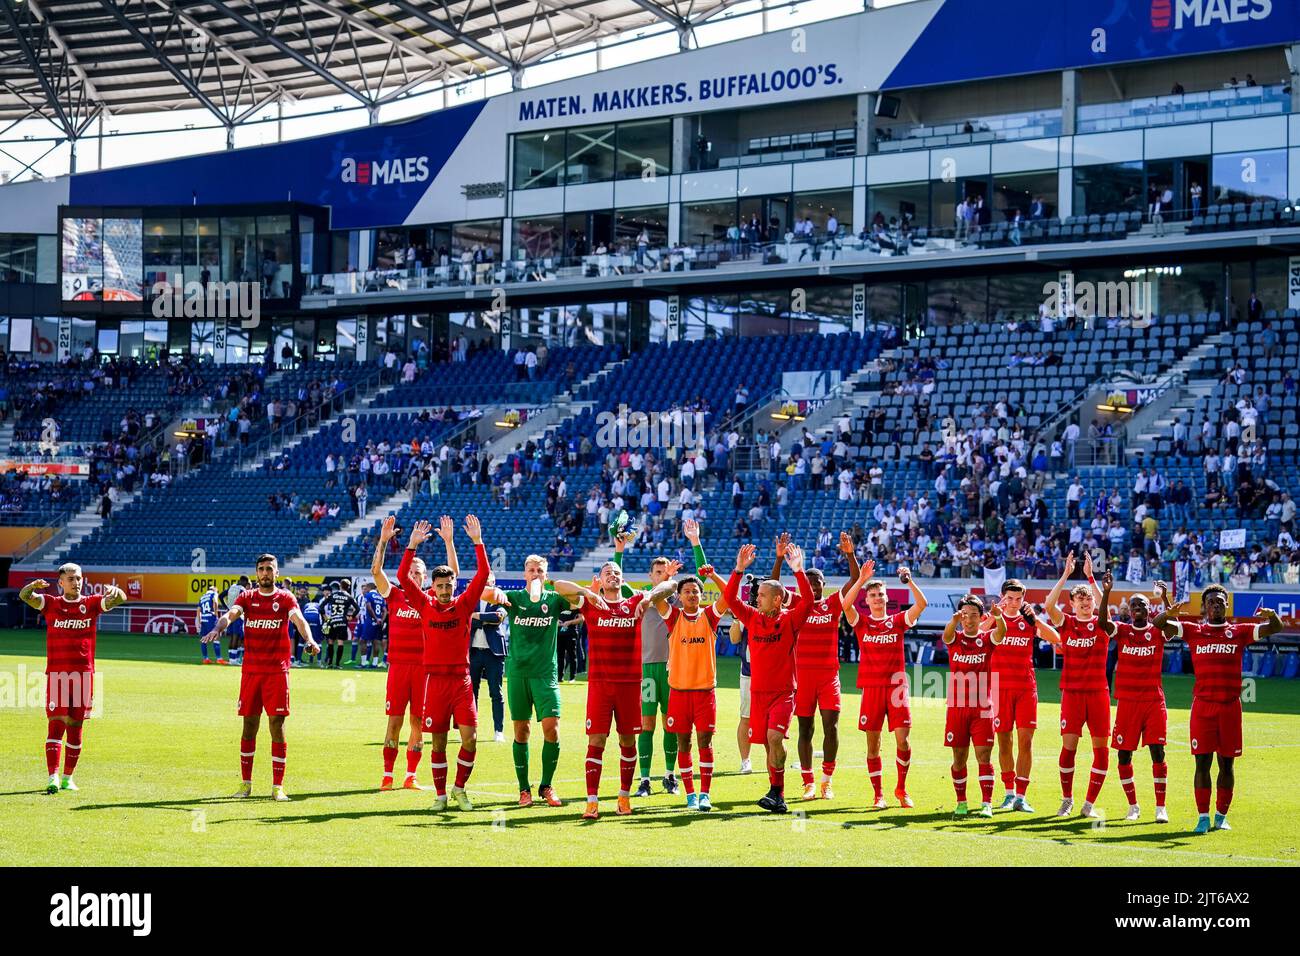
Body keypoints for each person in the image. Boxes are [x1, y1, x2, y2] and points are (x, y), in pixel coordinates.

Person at [1156, 584, 1283, 833]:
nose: (1216, 605)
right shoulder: (1194, 630)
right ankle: (1202, 817)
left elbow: (1275, 627)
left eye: (1220, 601)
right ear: (1204, 606)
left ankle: (1221, 816)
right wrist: (1169, 612)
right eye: (1211, 601)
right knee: (1201, 764)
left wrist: (1273, 616)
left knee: (1227, 765)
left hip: (1230, 708)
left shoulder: (1239, 631)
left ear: (1227, 605)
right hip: (1203, 708)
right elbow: (1159, 624)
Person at [482, 555, 600, 807]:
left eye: (540, 571)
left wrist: (573, 587)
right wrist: (495, 592)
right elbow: (482, 594)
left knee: (552, 728)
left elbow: (578, 600)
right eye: (531, 570)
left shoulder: (555, 599)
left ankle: (546, 785)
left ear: (546, 575)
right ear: (524, 573)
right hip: (518, 673)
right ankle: (524, 789)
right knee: (521, 731)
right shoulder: (514, 598)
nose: (535, 574)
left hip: (546, 674)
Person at [202, 553, 318, 801]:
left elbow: (299, 620)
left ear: (277, 573)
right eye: (261, 569)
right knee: (249, 726)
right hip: (252, 673)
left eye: (270, 569)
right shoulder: (246, 597)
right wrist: (217, 628)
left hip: (277, 672)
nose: (265, 573)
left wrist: (309, 639)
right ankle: (245, 784)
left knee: (277, 725)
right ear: (257, 573)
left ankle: (278, 786)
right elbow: (230, 614)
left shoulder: (285, 598)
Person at [395, 515, 489, 811]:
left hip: (461, 681)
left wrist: (477, 541)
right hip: (434, 682)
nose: (446, 590)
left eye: (449, 585)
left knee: (470, 738)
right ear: (432, 587)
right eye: (440, 586)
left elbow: (483, 575)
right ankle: (440, 795)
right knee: (437, 743)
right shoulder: (424, 605)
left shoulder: (463, 605)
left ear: (453, 585)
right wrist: (411, 545)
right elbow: (401, 577)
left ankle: (459, 789)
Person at [612, 523, 708, 800]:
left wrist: (695, 543)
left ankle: (669, 775)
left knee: (672, 724)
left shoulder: (678, 603)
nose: (663, 575)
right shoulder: (639, 597)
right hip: (646, 671)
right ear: (650, 575)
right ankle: (644, 779)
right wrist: (619, 550)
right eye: (658, 572)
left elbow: (705, 576)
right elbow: (616, 583)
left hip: (672, 671)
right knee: (646, 724)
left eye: (667, 573)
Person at [576, 562, 676, 819]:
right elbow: (560, 587)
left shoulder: (634, 604)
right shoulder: (592, 605)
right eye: (608, 573)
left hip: (630, 685)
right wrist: (588, 592)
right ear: (600, 578)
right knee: (596, 740)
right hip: (600, 685)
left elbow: (671, 585)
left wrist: (649, 597)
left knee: (627, 741)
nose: (613, 575)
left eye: (617, 573)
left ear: (623, 580)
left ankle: (623, 797)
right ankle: (592, 801)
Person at [20, 567, 127, 794]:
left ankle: (68, 778)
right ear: (61, 582)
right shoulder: (50, 603)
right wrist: (31, 587)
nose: (76, 582)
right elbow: (25, 596)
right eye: (71, 579)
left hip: (84, 676)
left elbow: (121, 598)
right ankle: (53, 777)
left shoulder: (91, 603)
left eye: (78, 578)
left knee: (76, 728)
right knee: (56, 725)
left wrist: (115, 591)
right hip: (57, 675)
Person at [723, 542, 812, 813]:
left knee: (775, 738)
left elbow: (808, 602)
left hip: (783, 693)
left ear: (776, 599)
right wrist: (738, 570)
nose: (756, 598)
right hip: (758, 693)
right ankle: (776, 794)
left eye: (762, 595)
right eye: (757, 594)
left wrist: (798, 571)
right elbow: (730, 599)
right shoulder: (752, 618)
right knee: (766, 745)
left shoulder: (789, 620)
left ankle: (777, 791)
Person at [782, 532, 870, 800]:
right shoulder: (796, 604)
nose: (812, 587)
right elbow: (774, 586)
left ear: (823, 584)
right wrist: (779, 560)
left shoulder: (833, 604)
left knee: (831, 726)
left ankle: (826, 781)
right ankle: (808, 782)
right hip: (804, 679)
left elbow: (855, 580)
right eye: (807, 583)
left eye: (817, 583)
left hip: (828, 677)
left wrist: (850, 554)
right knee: (805, 730)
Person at [843, 565, 930, 809]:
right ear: (867, 600)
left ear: (887, 597)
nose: (877, 598)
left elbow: (921, 604)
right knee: (873, 744)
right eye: (872, 595)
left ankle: (901, 789)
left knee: (903, 740)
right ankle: (878, 795)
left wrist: (910, 582)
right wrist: (860, 580)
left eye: (880, 594)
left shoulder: (897, 621)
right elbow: (845, 606)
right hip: (871, 689)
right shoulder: (862, 623)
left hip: (896, 690)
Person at [655, 564, 731, 811]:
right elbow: (656, 596)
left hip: (704, 692)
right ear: (679, 595)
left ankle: (705, 794)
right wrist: (667, 578)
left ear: (701, 595)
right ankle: (690, 794)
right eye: (686, 591)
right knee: (683, 743)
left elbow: (729, 595)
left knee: (705, 743)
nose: (692, 595)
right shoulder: (674, 617)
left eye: (696, 591)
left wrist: (713, 576)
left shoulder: (710, 616)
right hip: (678, 693)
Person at [1098, 572, 1170, 823]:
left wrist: (1167, 600)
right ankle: (1133, 806)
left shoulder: (1159, 630)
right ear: (1128, 610)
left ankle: (1161, 807)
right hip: (1127, 703)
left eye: (1142, 604)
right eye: (1133, 605)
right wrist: (1106, 592)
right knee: (1123, 755)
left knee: (1157, 752)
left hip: (1153, 701)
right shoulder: (1123, 630)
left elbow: (1172, 624)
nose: (1138, 608)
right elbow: (1102, 624)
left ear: (1150, 609)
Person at [1044, 552, 1109, 819]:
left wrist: (1092, 578)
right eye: (1080, 600)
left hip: (1098, 695)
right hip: (1072, 694)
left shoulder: (1102, 624)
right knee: (1068, 747)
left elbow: (1105, 602)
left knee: (1101, 751)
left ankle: (1089, 805)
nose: (1086, 603)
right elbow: (1048, 606)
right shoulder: (1068, 623)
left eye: (1089, 599)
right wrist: (1066, 575)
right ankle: (1067, 799)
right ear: (1071, 604)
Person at [990, 579, 1060, 811]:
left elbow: (1055, 638)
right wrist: (994, 615)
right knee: (1004, 741)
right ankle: (1008, 793)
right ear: (1002, 597)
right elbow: (975, 634)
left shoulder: (1028, 621)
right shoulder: (994, 620)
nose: (1013, 603)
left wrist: (1036, 619)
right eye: (1009, 598)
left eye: (1018, 599)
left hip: (1025, 688)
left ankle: (1021, 796)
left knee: (1026, 742)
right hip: (999, 688)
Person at [372, 516, 429, 789]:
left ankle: (411, 775)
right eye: (412, 571)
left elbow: (453, 574)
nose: (415, 576)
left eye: (420, 573)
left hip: (424, 668)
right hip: (398, 667)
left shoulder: (431, 600)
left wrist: (450, 542)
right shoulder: (394, 594)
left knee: (418, 723)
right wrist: (383, 541)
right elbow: (375, 572)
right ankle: (387, 774)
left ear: (426, 577)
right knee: (394, 721)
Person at [943, 595, 1006, 817]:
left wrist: (999, 617)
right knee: (959, 759)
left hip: (982, 708)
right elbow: (946, 635)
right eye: (965, 615)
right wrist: (953, 621)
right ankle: (961, 802)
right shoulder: (955, 638)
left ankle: (986, 804)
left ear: (981, 617)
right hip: (957, 708)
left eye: (974, 615)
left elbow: (1001, 633)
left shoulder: (987, 639)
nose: (969, 619)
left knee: (984, 757)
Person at [470, 595, 507, 744]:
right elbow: (466, 618)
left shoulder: (500, 601)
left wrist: (476, 617)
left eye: (490, 582)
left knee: (496, 693)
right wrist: (485, 620)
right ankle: (469, 729)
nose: (487, 585)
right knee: (470, 693)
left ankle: (499, 730)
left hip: (494, 653)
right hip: (473, 652)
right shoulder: (471, 600)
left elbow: (498, 617)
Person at [320, 580, 359, 670]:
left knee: (330, 642)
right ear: (348, 587)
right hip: (342, 621)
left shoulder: (333, 595)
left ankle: (330, 663)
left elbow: (321, 606)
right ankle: (337, 664)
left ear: (340, 586)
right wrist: (351, 617)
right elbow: (357, 608)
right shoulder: (349, 596)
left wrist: (325, 616)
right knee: (340, 642)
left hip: (333, 620)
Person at [196, 585, 225, 664]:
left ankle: (205, 658)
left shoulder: (202, 597)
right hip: (211, 618)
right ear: (214, 590)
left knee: (204, 639)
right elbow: (215, 601)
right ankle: (219, 659)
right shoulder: (214, 594)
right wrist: (216, 614)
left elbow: (198, 610)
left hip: (203, 619)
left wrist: (199, 621)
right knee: (216, 637)